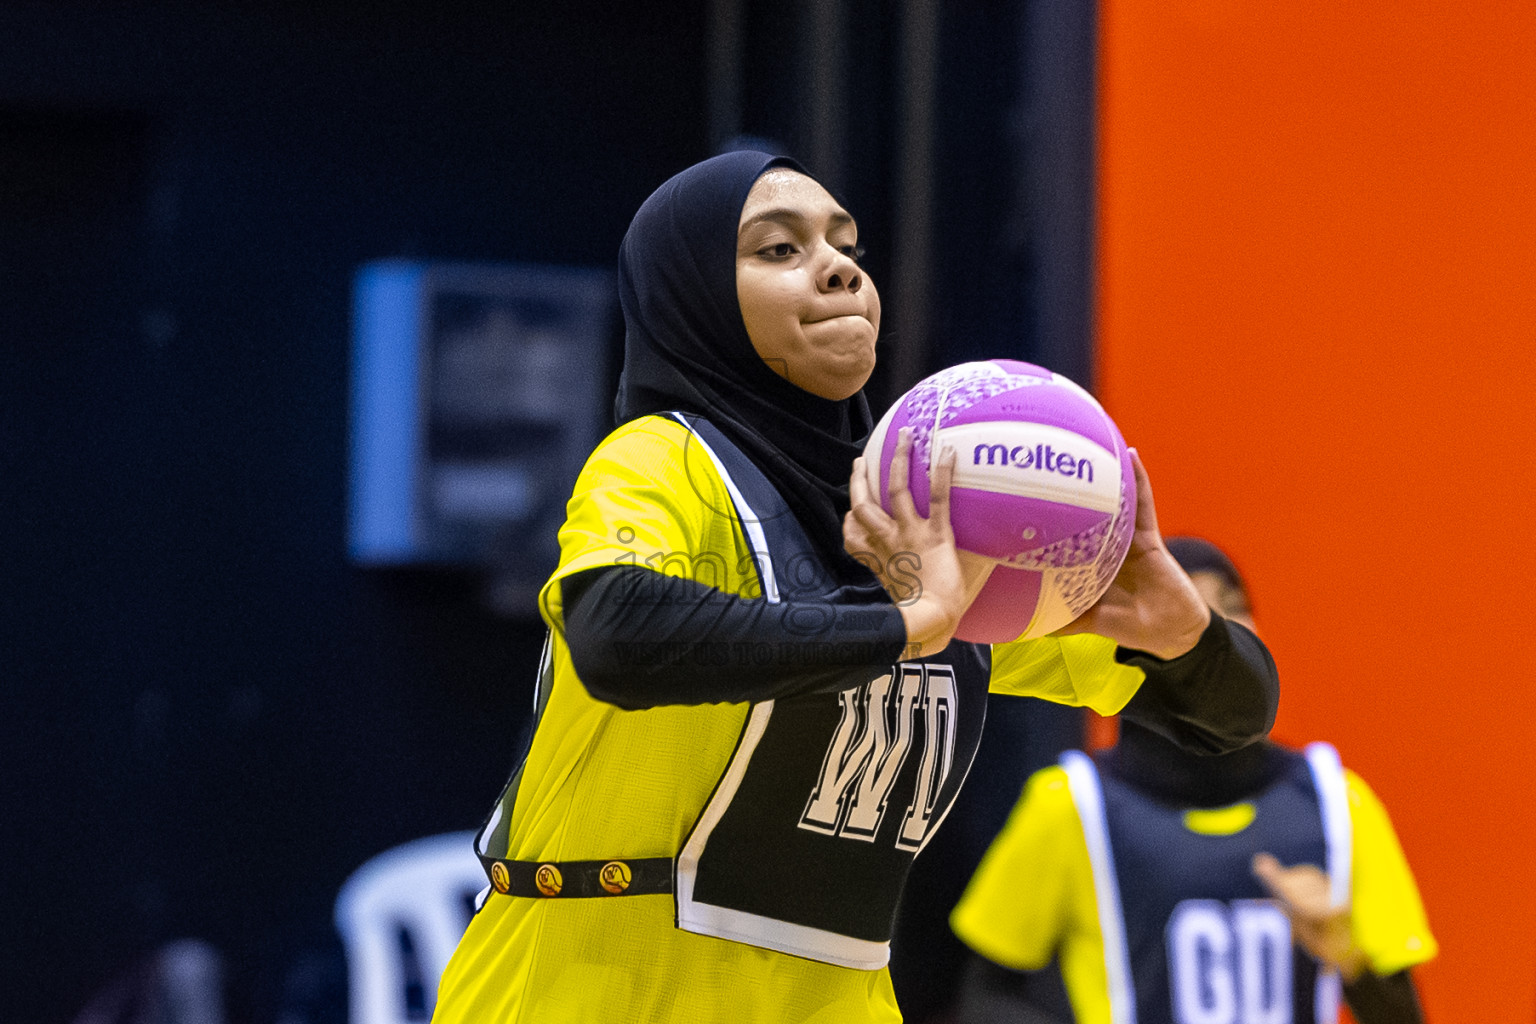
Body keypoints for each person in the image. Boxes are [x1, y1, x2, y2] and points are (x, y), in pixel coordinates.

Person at [431, 152, 1279, 1023]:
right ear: (695, 299)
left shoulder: (928, 529)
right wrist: (907, 622)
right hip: (585, 994)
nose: (839, 267)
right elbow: (616, 633)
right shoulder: (664, 461)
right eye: (779, 249)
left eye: (848, 246)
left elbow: (1230, 716)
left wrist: (1187, 636)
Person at [949, 537, 1436, 1024]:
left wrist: (1349, 957)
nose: (1220, 627)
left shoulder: (1335, 801)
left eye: (1233, 606)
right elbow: (983, 997)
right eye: (1193, 609)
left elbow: (1403, 1014)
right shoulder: (1072, 803)